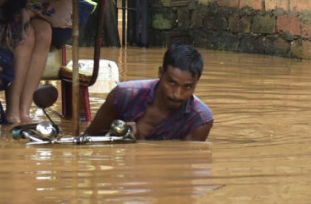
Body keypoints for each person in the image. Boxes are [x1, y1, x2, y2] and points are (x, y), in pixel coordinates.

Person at [84, 44, 214, 141]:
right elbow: (89, 139)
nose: (177, 94)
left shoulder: (200, 120)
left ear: (197, 83)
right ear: (160, 73)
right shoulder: (123, 95)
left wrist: (137, 140)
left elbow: (180, 166)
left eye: (187, 87)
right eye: (171, 83)